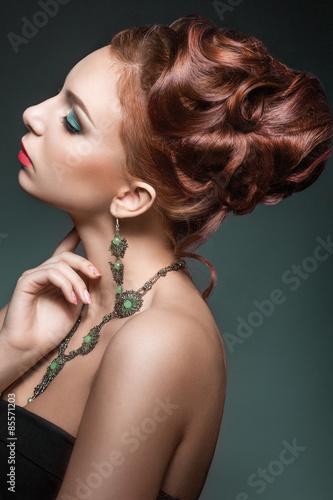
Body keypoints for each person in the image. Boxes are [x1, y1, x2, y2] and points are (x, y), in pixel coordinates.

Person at [0, 13, 331, 500]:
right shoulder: (51, 303)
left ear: (131, 197)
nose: (33, 112)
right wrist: (10, 351)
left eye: (72, 121)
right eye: (57, 94)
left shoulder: (160, 341)